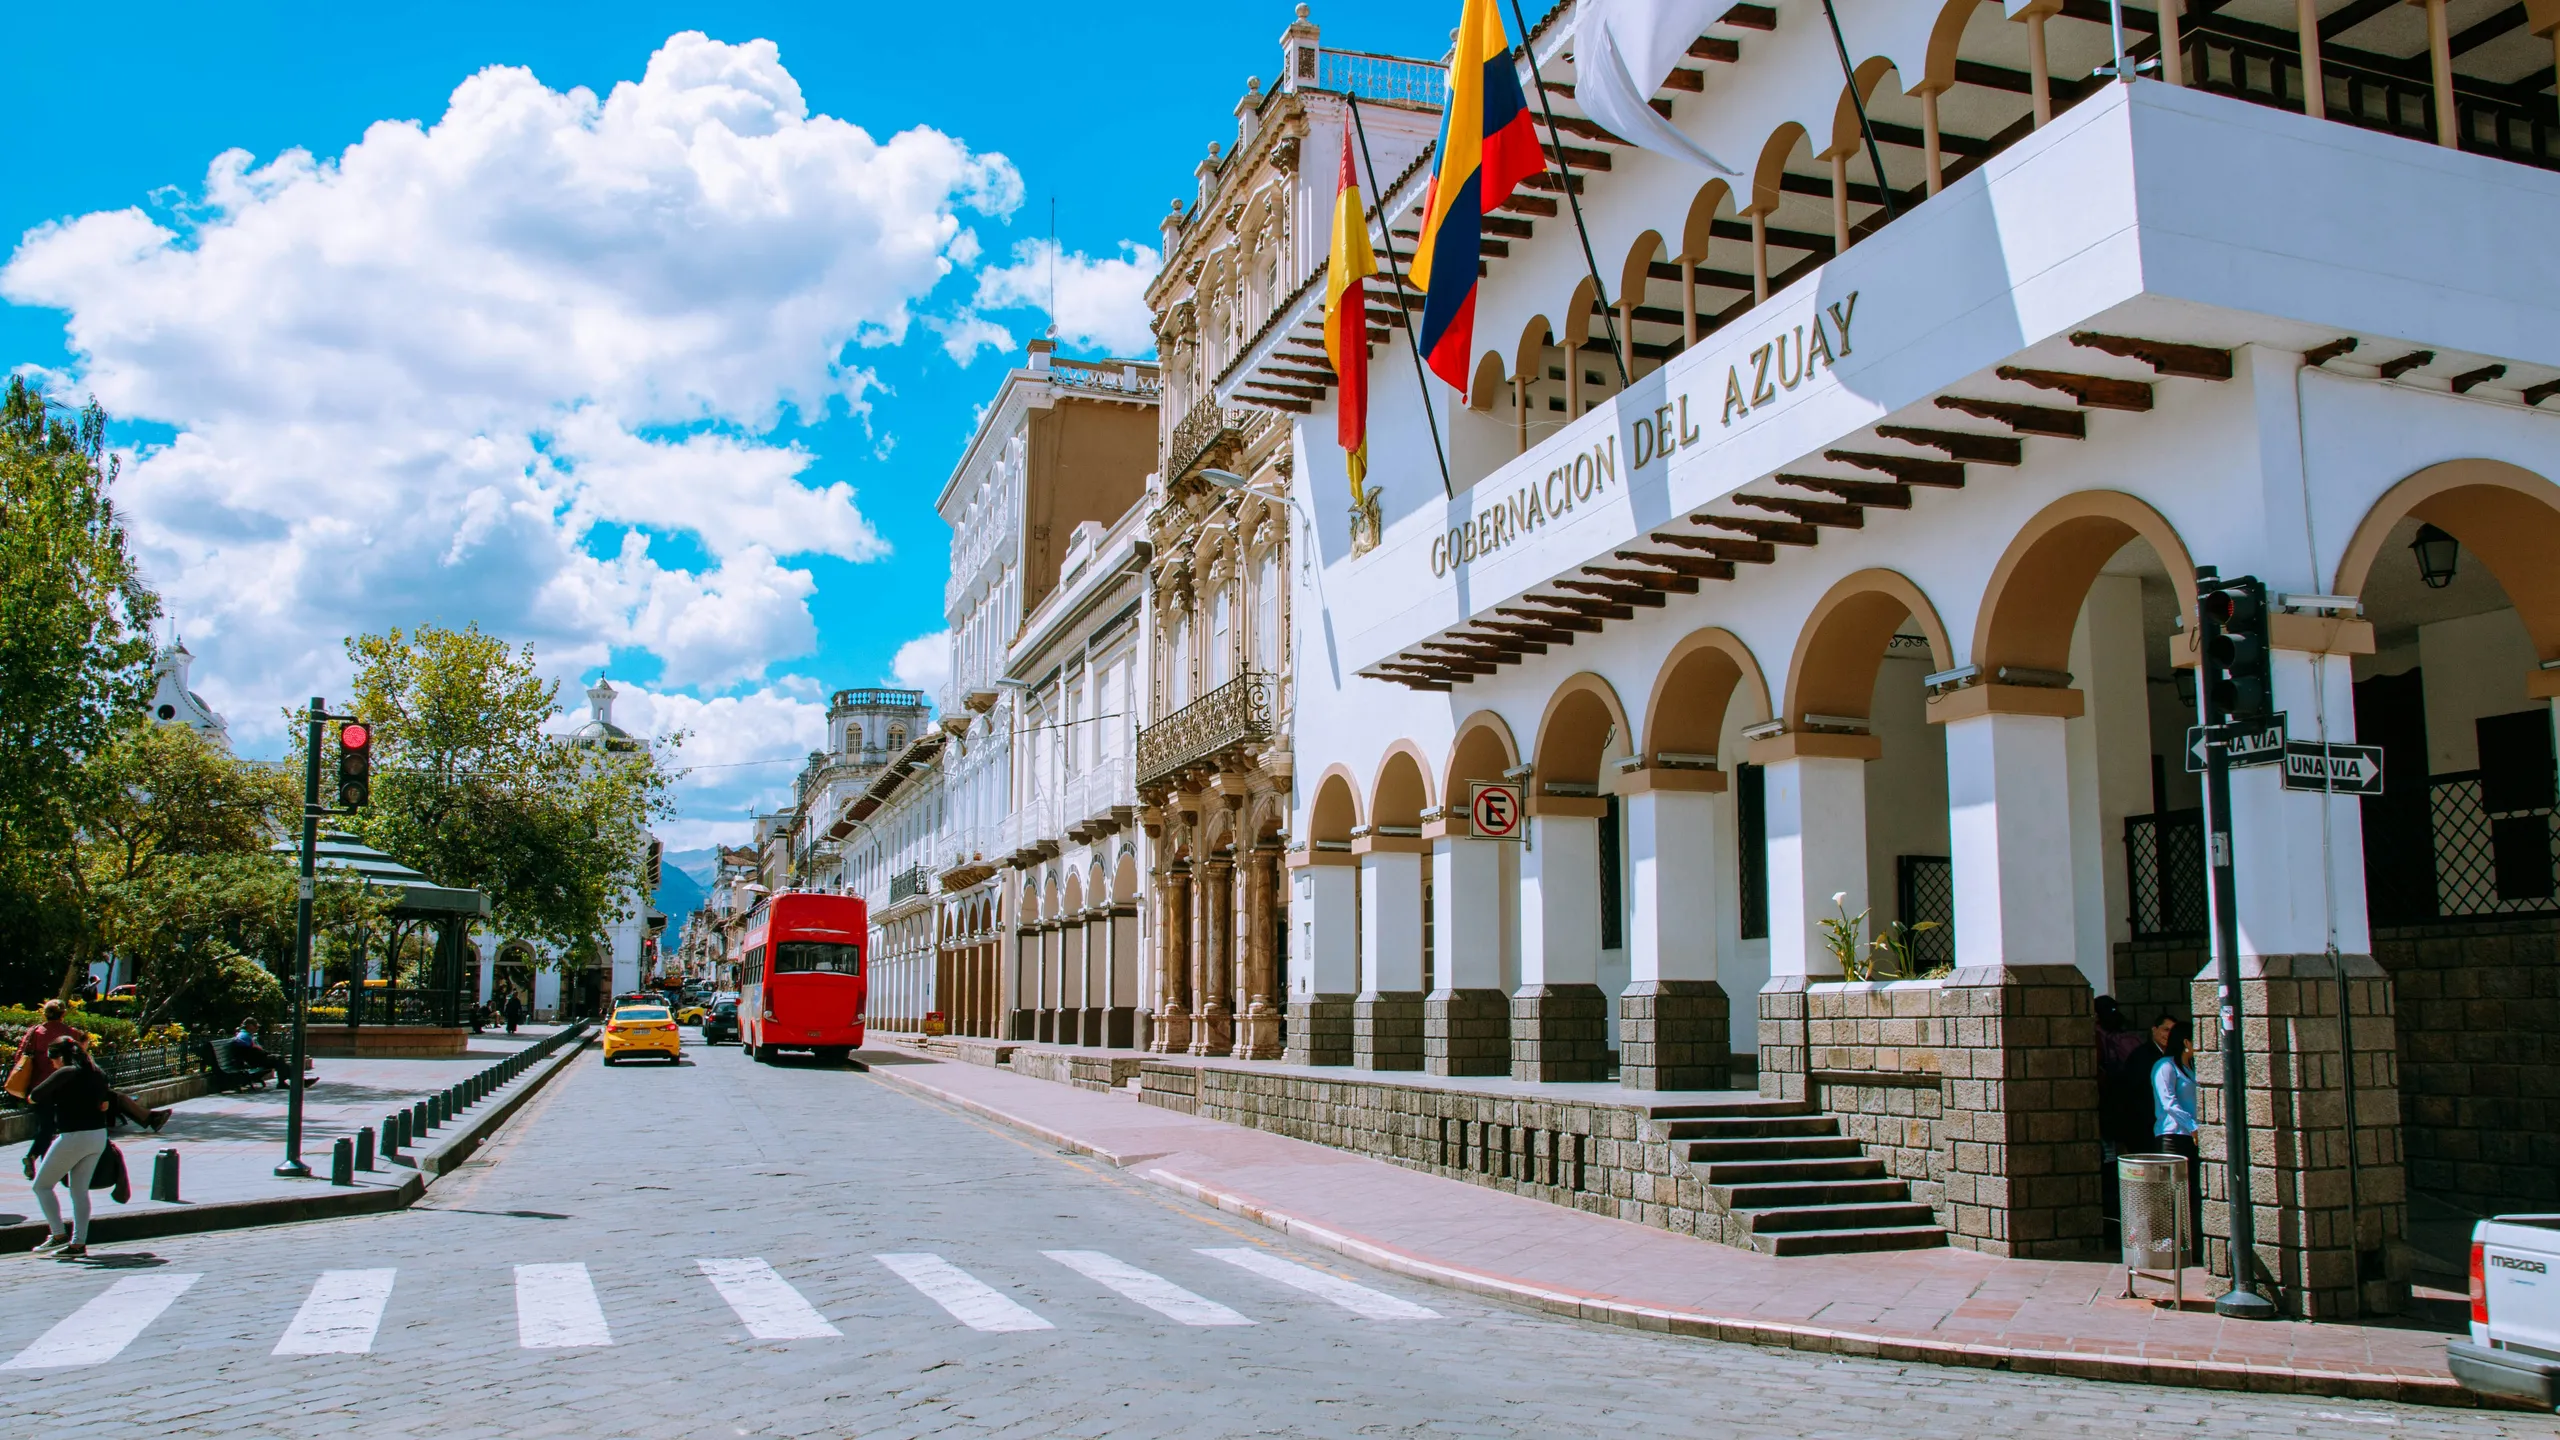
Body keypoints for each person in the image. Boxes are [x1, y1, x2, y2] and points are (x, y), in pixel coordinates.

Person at [27, 1037, 114, 1256]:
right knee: (79, 1191)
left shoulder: (66, 1072)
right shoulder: (97, 1072)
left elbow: (34, 1096)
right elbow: (105, 1102)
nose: (51, 1063)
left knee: (41, 1186)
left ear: (60, 1056)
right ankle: (78, 1244)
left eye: (52, 1058)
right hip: (98, 1135)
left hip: (74, 1136)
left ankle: (58, 1235)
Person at [2151, 1020, 2203, 1238]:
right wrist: (2192, 1126)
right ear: (2186, 1042)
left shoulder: (2190, 1068)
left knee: (2193, 1192)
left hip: (2192, 1136)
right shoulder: (2165, 1066)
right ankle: (2171, 1240)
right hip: (2173, 1135)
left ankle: (2192, 1241)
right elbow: (2168, 1102)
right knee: (2173, 1193)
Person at [227, 1021, 293, 1088]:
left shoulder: (246, 1034)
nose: (257, 1028)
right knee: (278, 1059)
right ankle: (285, 1082)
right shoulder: (243, 1035)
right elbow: (246, 1046)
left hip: (256, 1058)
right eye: (255, 1026)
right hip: (254, 1060)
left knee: (281, 1062)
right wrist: (255, 1047)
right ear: (250, 1026)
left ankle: (290, 1080)